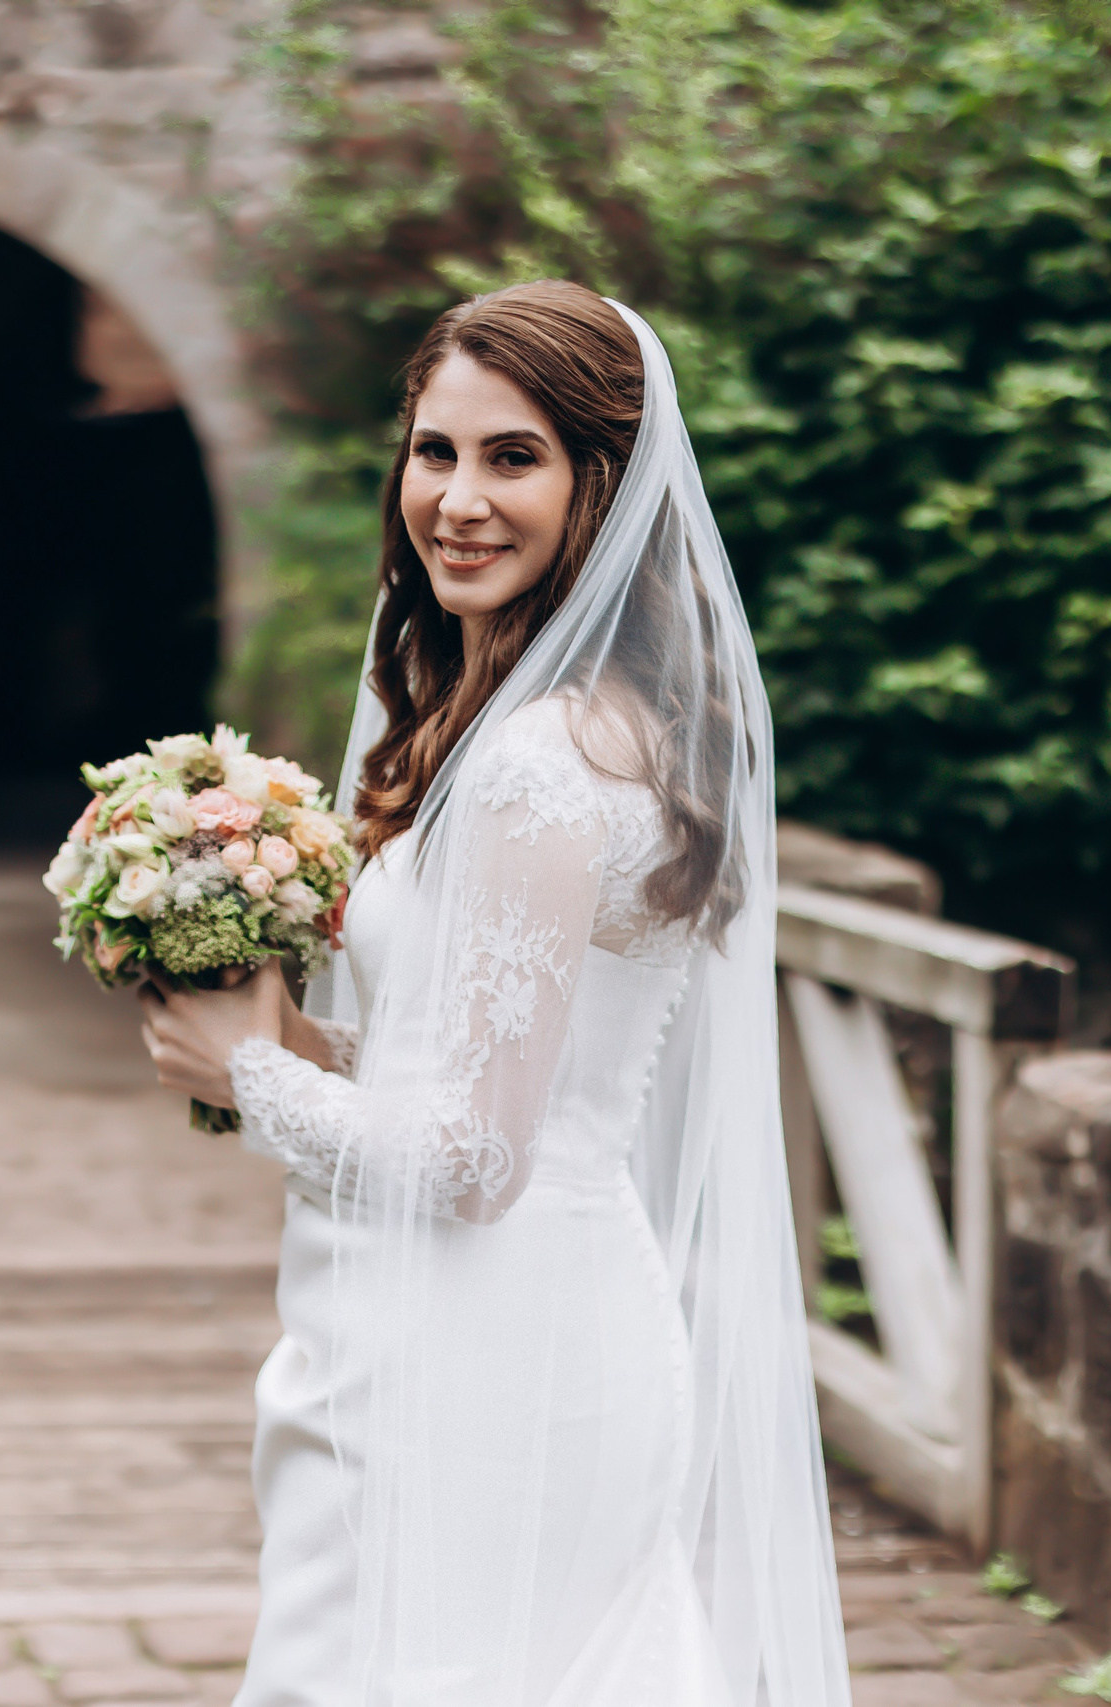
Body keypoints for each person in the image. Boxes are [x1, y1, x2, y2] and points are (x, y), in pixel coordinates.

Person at [139, 284, 851, 1703]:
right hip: (493, 1311)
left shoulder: (539, 763)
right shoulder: (550, 728)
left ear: (605, 481)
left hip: (489, 1346)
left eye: (512, 457)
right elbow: (471, 1058)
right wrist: (304, 1032)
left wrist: (252, 1075)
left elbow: (472, 1156)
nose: (458, 499)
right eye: (436, 450)